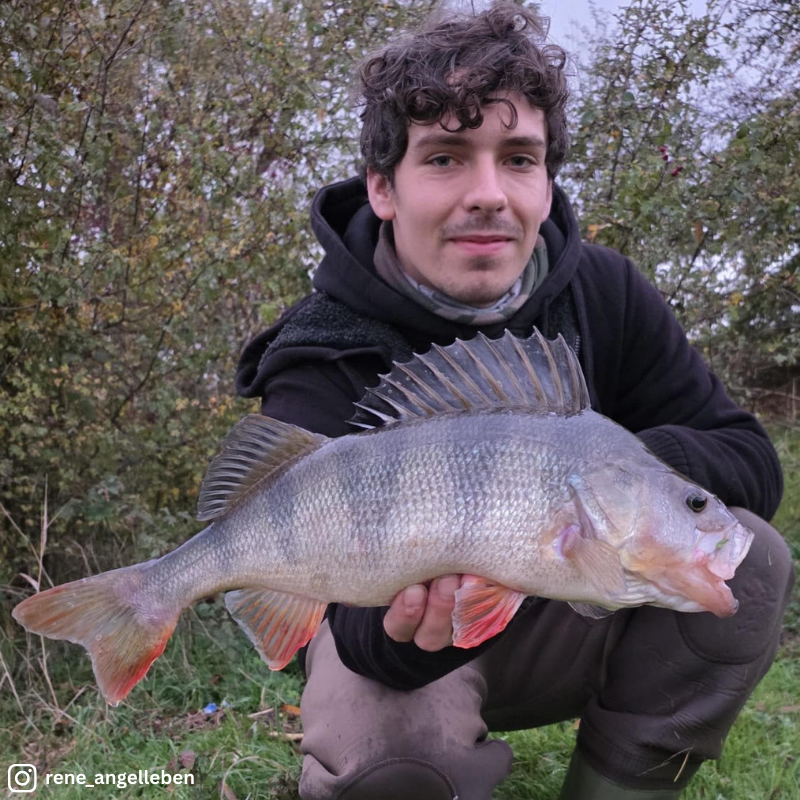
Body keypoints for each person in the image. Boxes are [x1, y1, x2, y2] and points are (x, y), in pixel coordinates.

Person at [236, 4, 794, 798]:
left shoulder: (605, 291)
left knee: (752, 557)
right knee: (392, 757)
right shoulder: (322, 346)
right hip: (388, 636)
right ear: (383, 187)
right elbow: (354, 634)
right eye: (445, 158)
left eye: (520, 158)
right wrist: (419, 633)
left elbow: (747, 457)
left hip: (561, 596)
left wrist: (618, 473)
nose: (489, 194)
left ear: (547, 182)